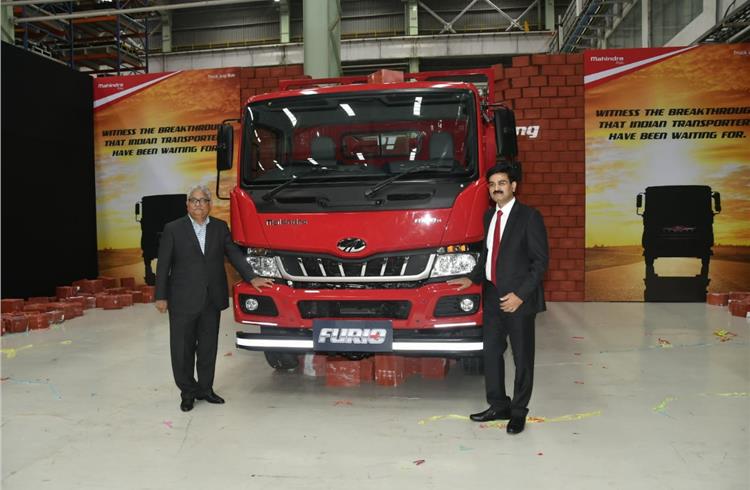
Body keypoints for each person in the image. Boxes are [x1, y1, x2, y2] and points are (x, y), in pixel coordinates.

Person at [448, 163, 549, 434]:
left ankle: (518, 412)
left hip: (518, 298)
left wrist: (520, 296)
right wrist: (474, 277)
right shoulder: (488, 216)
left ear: (513, 186)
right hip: (492, 294)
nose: (496, 188)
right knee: (491, 352)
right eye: (492, 184)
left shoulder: (529, 217)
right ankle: (498, 404)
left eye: (502, 183)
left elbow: (540, 262)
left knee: (522, 357)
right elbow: (489, 253)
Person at [155, 184, 274, 412]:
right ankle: (187, 392)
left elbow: (234, 254)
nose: (198, 204)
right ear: (187, 204)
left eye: (203, 200)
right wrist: (160, 296)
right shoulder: (173, 229)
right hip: (182, 300)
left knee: (208, 348)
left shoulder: (220, 228)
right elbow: (163, 266)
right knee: (182, 349)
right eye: (194, 200)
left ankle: (206, 389)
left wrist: (252, 277)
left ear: (210, 205)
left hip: (211, 299)